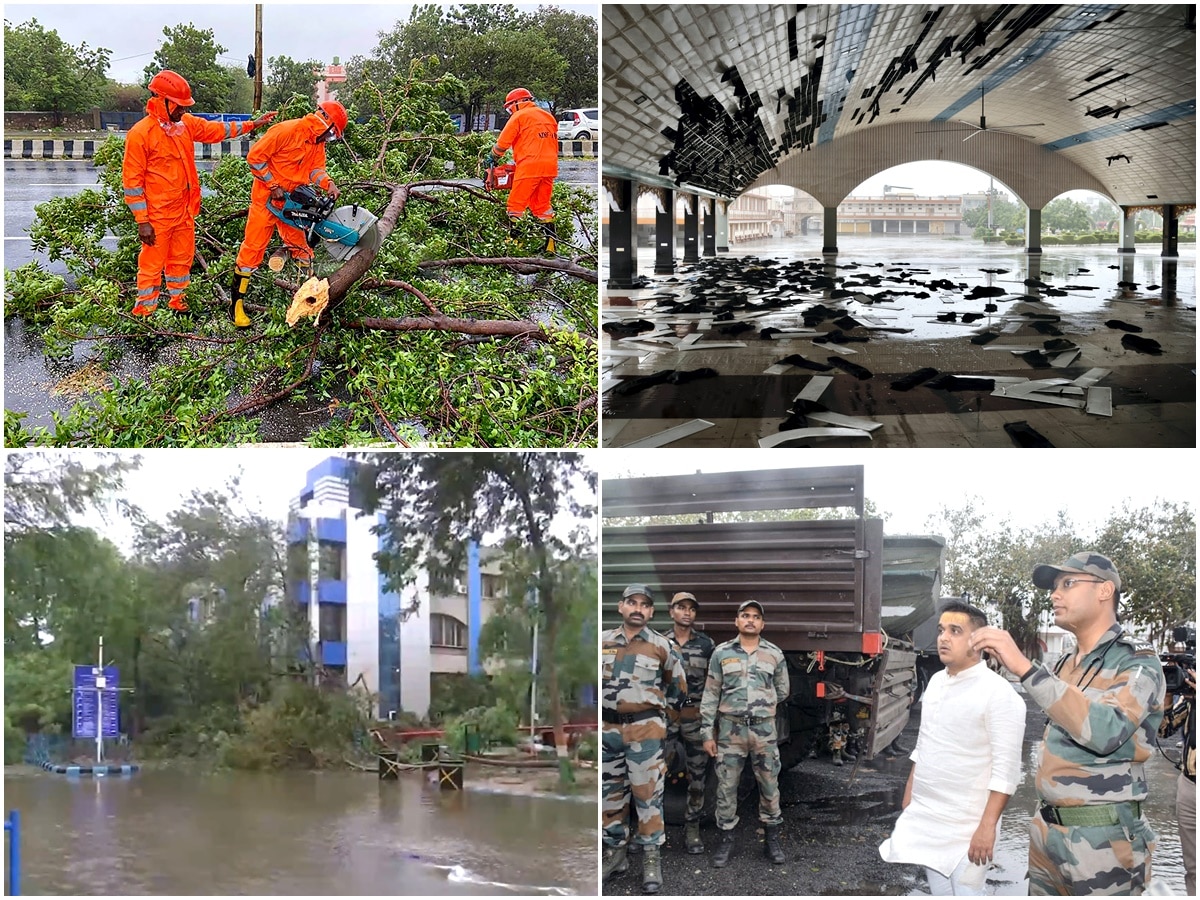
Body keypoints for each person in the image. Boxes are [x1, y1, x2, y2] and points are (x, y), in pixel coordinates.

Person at [969, 552, 1166, 896]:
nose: (1054, 594)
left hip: (1103, 843)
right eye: (1054, 587)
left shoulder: (1137, 659)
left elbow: (1107, 732)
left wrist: (1026, 668)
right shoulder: (1065, 663)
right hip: (1049, 835)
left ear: (1105, 591)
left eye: (1068, 584)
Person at [879, 600, 1026, 895]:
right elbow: (925, 744)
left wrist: (986, 829)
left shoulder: (999, 695)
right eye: (941, 629)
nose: (944, 637)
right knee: (941, 894)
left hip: (969, 825)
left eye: (955, 631)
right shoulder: (936, 683)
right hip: (930, 816)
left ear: (979, 641)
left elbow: (1006, 772)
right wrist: (910, 798)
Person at [122, 70, 275, 317]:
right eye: (180, 106)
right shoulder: (141, 134)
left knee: (181, 262)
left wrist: (252, 125)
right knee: (151, 266)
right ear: (162, 100)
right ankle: (144, 314)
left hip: (183, 211)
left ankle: (179, 304)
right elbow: (132, 182)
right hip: (157, 217)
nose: (184, 111)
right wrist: (143, 222)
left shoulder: (184, 125)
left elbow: (216, 130)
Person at [601, 584, 688, 894]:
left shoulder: (662, 646)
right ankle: (615, 853)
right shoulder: (602, 642)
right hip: (607, 730)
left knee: (647, 794)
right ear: (621, 607)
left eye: (644, 605)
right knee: (610, 794)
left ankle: (651, 857)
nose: (638, 608)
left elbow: (677, 690)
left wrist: (659, 723)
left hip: (645, 731)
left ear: (651, 612)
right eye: (631, 602)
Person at [230, 100, 348, 327]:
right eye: (332, 133)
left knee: (302, 249)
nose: (329, 139)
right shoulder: (286, 130)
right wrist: (272, 185)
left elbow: (315, 170)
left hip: (292, 202)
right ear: (326, 123)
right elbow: (255, 158)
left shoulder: (317, 143)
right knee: (252, 250)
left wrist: (328, 184)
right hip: (266, 200)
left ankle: (306, 301)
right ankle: (236, 308)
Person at [700, 599, 790, 868]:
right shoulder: (721, 653)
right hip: (730, 730)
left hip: (763, 730)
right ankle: (726, 839)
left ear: (762, 624)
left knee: (769, 784)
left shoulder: (774, 654)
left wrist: (762, 705)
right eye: (745, 615)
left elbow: (783, 690)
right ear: (736, 621)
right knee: (726, 786)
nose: (750, 620)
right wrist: (707, 732)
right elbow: (711, 693)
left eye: (755, 616)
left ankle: (772, 839)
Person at [661, 591, 716, 854]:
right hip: (667, 716)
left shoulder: (706, 645)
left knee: (697, 775)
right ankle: (649, 829)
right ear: (671, 612)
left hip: (695, 717)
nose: (686, 612)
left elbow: (714, 684)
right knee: (655, 772)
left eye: (691, 609)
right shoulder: (659, 642)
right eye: (681, 608)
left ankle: (692, 828)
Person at [488, 88, 559, 252]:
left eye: (509, 107)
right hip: (549, 167)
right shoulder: (548, 116)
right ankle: (551, 248)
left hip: (529, 167)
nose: (509, 111)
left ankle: (515, 245)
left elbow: (503, 143)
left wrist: (492, 157)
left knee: (515, 206)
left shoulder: (519, 116)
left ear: (517, 103)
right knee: (543, 207)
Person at [1158, 663, 1195, 895]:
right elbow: (1163, 730)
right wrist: (1167, 695)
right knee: (1193, 867)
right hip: (1190, 786)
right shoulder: (1192, 698)